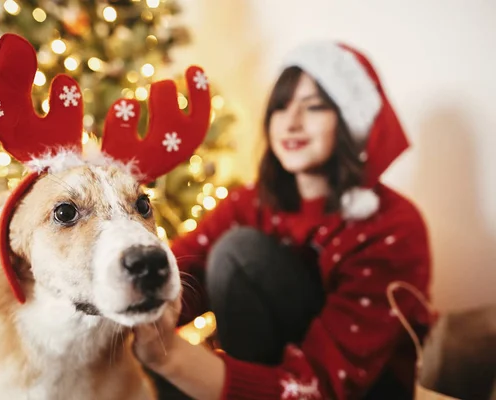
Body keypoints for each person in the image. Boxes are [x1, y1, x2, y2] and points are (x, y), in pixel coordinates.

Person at [133, 41, 431, 400]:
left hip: (355, 390)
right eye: (280, 107)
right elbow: (182, 271)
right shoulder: (253, 201)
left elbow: (327, 383)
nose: (291, 122)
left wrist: (174, 360)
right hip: (263, 375)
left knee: (237, 252)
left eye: (314, 107)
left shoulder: (393, 226)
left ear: (351, 120)